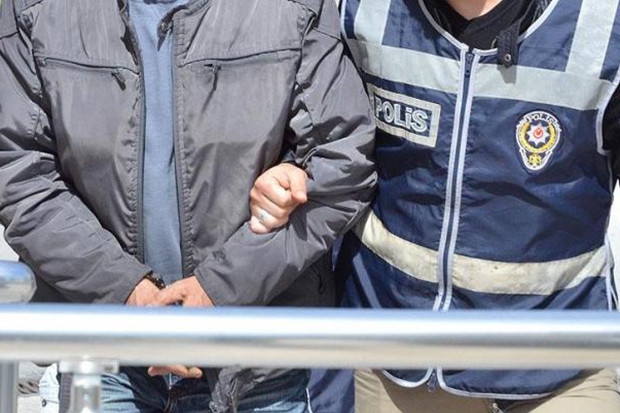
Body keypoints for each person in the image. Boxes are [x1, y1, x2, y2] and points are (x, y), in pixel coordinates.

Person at [0, 0, 377, 411]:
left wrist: (217, 291)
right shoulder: (37, 10)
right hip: (105, 358)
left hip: (254, 363)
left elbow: (340, 166)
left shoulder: (291, 8)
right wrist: (128, 295)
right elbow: (20, 174)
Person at [249, 0, 620, 411]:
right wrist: (292, 170)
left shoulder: (605, 28)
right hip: (394, 358)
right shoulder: (359, 10)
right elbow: (325, 136)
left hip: (558, 368)